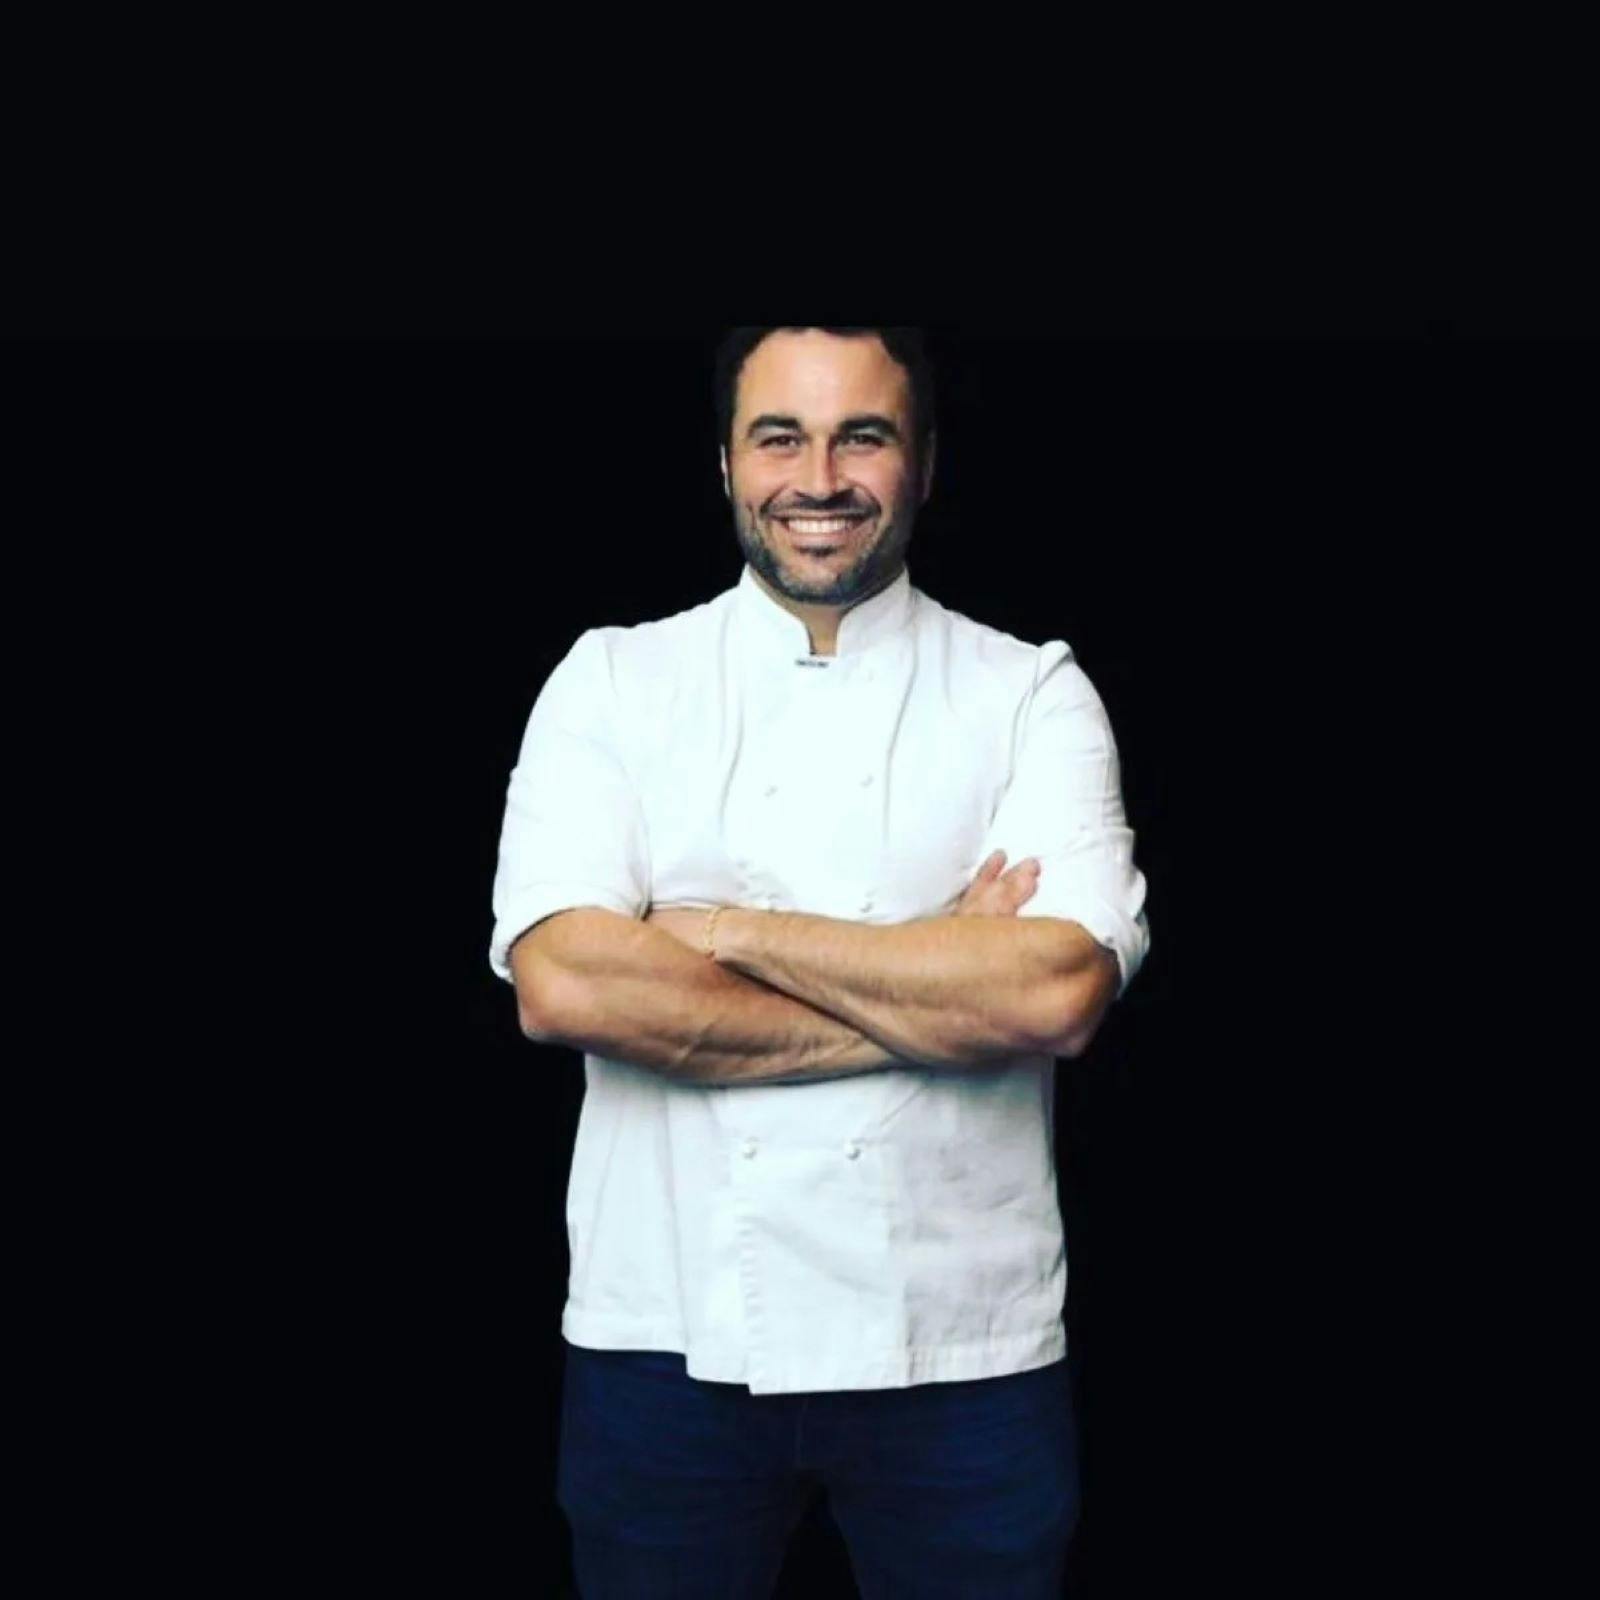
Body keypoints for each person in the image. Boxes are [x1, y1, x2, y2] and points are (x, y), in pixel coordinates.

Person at [488, 326, 1151, 1597]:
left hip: (964, 1347)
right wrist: (938, 972)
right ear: (725, 463)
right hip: (663, 1337)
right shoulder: (613, 680)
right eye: (779, 437)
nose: (820, 478)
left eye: (864, 437)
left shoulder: (1029, 691)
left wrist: (721, 931)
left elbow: (1055, 992)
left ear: (924, 464)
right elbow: (565, 984)